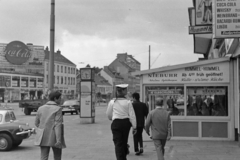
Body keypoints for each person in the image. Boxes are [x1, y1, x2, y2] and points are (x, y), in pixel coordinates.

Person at [106, 84, 137, 160]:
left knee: (117, 143)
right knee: (123, 141)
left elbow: (109, 114)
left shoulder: (112, 102)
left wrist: (112, 118)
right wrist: (134, 127)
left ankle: (121, 158)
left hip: (116, 123)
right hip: (126, 123)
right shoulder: (128, 102)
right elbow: (132, 115)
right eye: (125, 89)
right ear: (122, 91)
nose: (126, 91)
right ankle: (123, 157)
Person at [35, 91, 66, 160]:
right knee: (57, 157)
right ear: (55, 99)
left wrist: (43, 127)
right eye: (60, 98)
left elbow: (36, 123)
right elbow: (58, 125)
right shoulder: (58, 109)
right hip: (55, 136)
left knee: (43, 158)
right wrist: (59, 140)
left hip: (43, 137)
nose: (61, 100)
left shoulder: (40, 108)